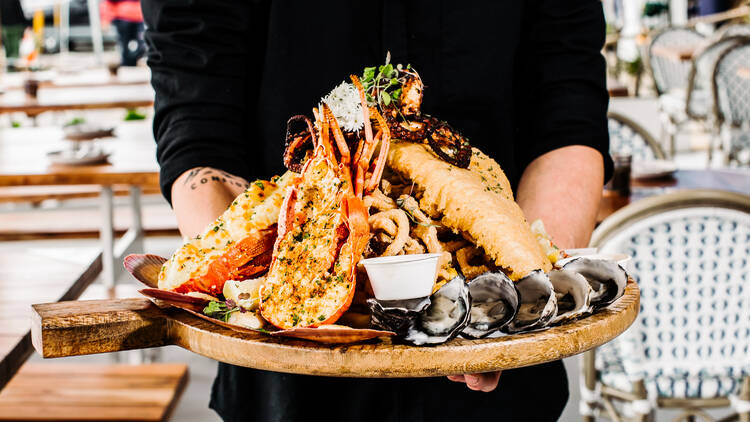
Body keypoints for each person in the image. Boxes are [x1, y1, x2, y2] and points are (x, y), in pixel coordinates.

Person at [142, 1, 613, 421]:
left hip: (501, 386)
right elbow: (196, 108)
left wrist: (523, 313)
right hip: (285, 389)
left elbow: (568, 106)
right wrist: (254, 285)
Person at [100, 0, 145, 66]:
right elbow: (107, 2)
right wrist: (105, 19)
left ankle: (139, 59)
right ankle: (127, 62)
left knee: (142, 43)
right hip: (122, 17)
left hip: (140, 17)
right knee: (124, 44)